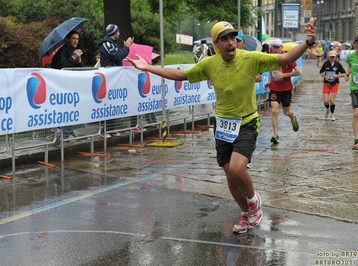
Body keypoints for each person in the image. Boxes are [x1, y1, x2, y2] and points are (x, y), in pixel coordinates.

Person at [125, 19, 317, 234]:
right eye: (224, 39)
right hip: (224, 125)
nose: (231, 43)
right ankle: (246, 214)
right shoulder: (210, 64)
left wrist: (308, 42)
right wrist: (148, 68)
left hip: (246, 122)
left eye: (233, 38)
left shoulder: (251, 58)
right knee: (230, 176)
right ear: (216, 44)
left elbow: (287, 57)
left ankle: (253, 201)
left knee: (237, 169)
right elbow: (181, 75)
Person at [263, 39, 301, 144]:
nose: (275, 49)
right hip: (274, 89)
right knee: (274, 110)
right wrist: (270, 82)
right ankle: (276, 135)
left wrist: (284, 75)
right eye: (273, 47)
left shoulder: (288, 58)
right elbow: (272, 71)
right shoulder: (271, 57)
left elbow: (298, 72)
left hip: (286, 89)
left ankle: (293, 118)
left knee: (286, 112)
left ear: (281, 48)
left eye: (277, 47)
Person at [98, 24, 133, 137]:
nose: (119, 34)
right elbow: (117, 56)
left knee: (114, 103)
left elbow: (119, 56)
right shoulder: (107, 44)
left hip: (114, 78)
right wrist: (127, 47)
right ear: (114, 33)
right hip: (109, 78)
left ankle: (111, 128)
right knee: (107, 103)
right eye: (118, 32)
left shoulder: (112, 44)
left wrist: (125, 49)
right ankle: (104, 129)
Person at [50, 30, 83, 139]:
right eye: (73, 38)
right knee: (64, 107)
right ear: (68, 39)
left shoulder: (73, 51)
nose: (75, 41)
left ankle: (70, 130)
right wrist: (73, 57)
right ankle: (65, 132)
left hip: (70, 83)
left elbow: (81, 68)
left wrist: (78, 59)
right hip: (60, 83)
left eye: (77, 39)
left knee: (70, 107)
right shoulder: (62, 50)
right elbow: (62, 65)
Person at [319, 50, 347, 121]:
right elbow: (321, 72)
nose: (332, 58)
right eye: (330, 57)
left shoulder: (338, 64)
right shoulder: (326, 64)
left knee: (331, 100)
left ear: (335, 57)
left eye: (333, 57)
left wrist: (337, 75)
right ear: (328, 57)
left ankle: (332, 114)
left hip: (335, 84)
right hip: (327, 83)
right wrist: (325, 77)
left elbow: (344, 73)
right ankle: (328, 109)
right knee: (326, 101)